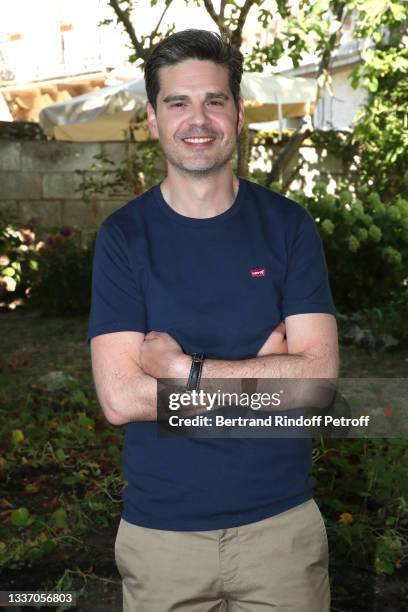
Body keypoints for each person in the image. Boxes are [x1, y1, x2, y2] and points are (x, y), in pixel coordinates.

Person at [87, 29, 339, 612]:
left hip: (281, 530)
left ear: (238, 112)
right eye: (177, 102)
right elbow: (121, 398)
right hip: (162, 537)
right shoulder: (124, 237)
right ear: (152, 117)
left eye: (214, 100)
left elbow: (317, 385)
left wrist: (182, 370)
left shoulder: (289, 227)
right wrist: (267, 374)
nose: (197, 119)